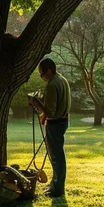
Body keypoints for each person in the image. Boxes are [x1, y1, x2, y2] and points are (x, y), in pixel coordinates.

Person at [31, 58, 71, 198]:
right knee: (58, 155)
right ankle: (56, 184)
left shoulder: (52, 84)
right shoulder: (62, 79)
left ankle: (57, 188)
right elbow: (56, 107)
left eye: (42, 74)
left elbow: (51, 111)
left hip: (56, 123)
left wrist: (36, 102)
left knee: (56, 157)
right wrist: (44, 115)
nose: (42, 77)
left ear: (49, 71)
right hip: (63, 120)